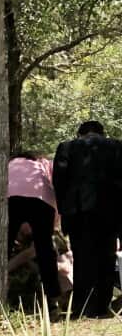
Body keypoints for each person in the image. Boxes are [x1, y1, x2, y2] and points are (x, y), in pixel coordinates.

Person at [53, 121, 122, 317]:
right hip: (110, 211)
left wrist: (63, 209)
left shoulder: (66, 147)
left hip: (77, 212)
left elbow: (59, 180)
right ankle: (102, 305)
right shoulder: (116, 146)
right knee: (107, 256)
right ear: (102, 133)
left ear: (80, 133)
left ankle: (83, 306)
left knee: (82, 258)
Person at [8, 150, 60, 301]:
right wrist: (55, 221)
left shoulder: (9, 164)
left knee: (4, 245)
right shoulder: (44, 163)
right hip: (42, 200)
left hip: (11, 199)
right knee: (45, 249)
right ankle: (53, 296)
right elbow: (55, 187)